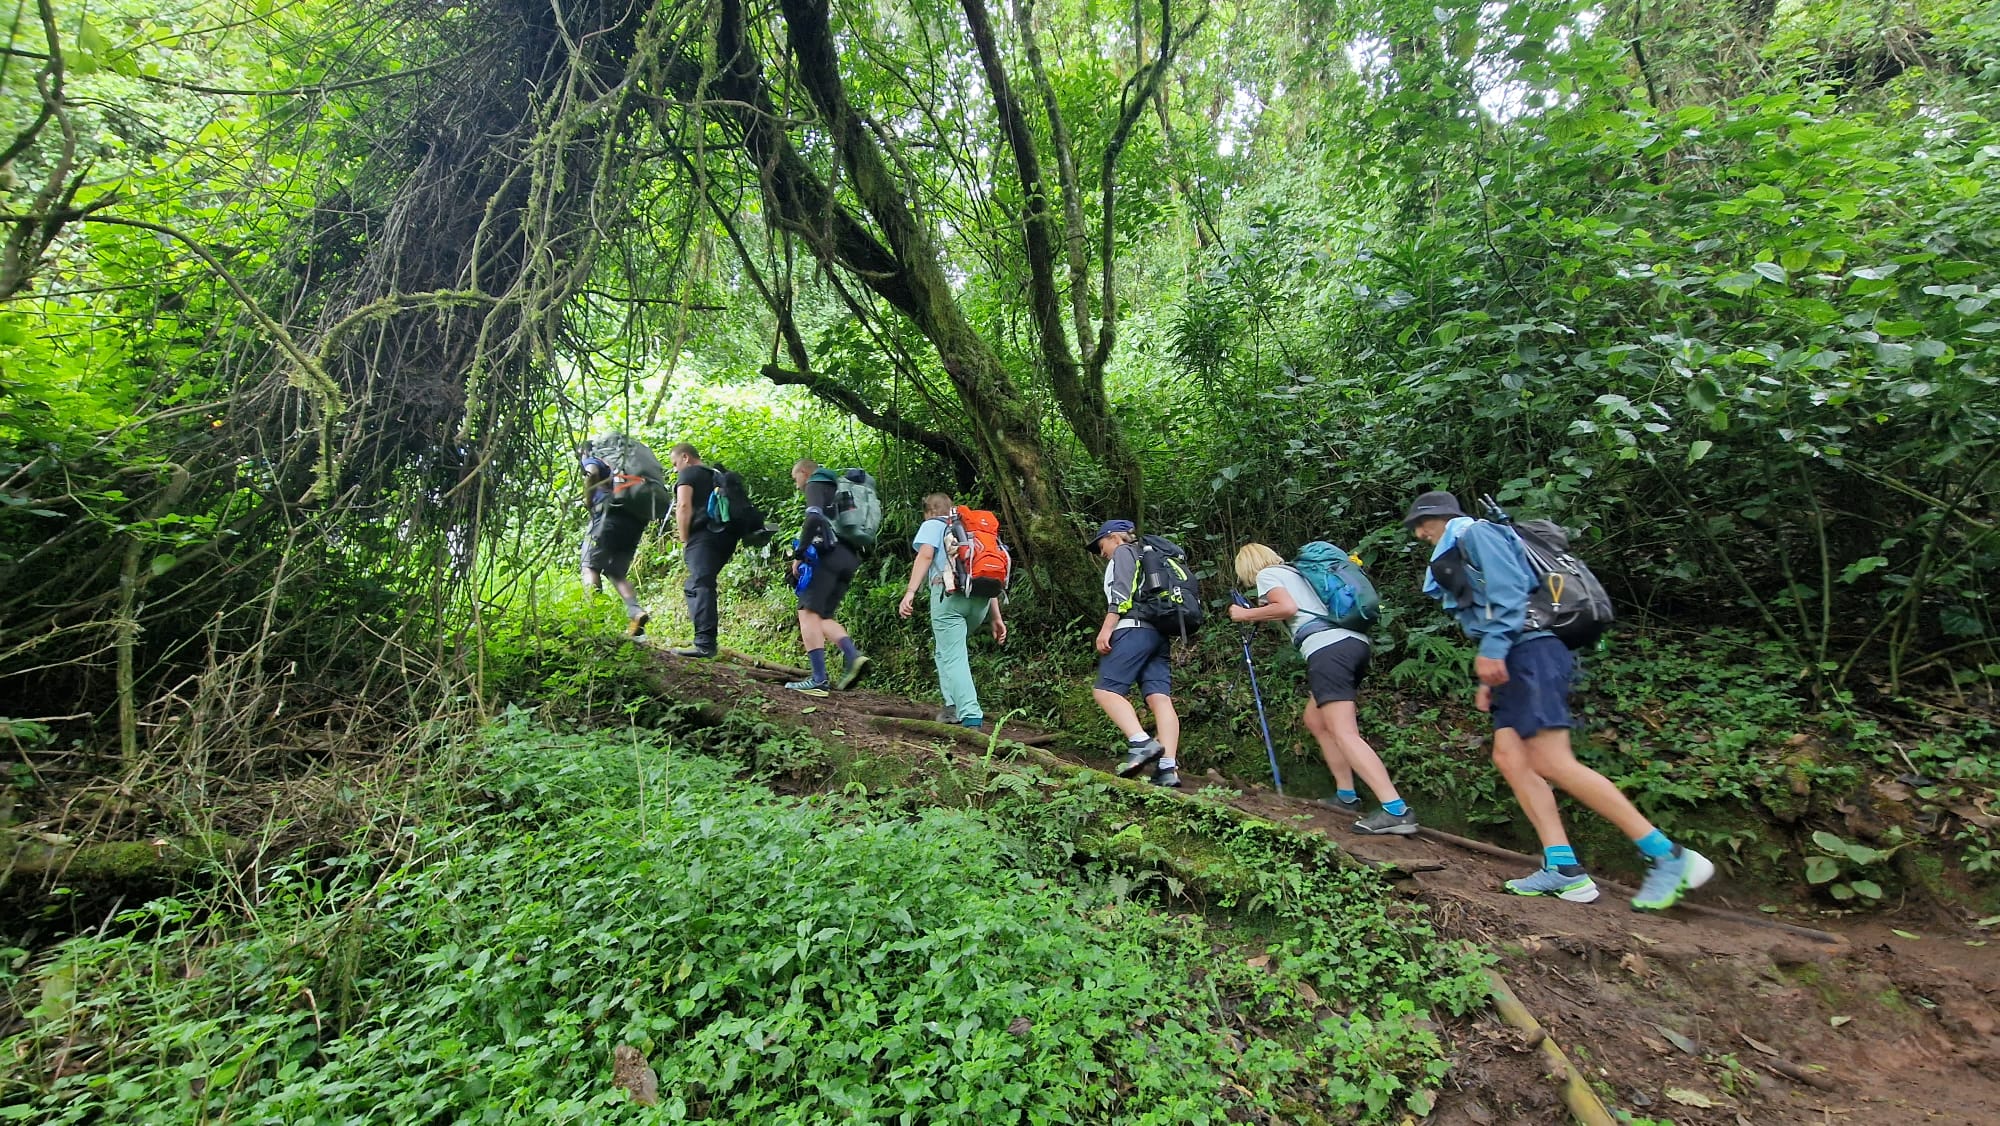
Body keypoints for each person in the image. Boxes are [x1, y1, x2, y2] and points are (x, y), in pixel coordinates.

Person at [1404, 490, 1713, 911]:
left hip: (1530, 651)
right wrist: (1490, 670)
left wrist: (1494, 649)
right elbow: (1487, 609)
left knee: (1551, 761)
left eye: (1423, 523)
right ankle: (1564, 868)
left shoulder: (1476, 534)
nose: (1420, 533)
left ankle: (1668, 855)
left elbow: (1511, 592)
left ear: (1443, 516)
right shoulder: (1457, 546)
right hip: (1516, 656)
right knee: (1510, 757)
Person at [1227, 542, 1417, 834]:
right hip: (1352, 645)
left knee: (1344, 732)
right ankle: (1345, 796)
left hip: (1329, 650)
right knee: (1315, 720)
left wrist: (1245, 615)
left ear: (1247, 567)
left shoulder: (1268, 576)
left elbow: (1286, 608)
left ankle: (1396, 810)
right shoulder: (1297, 573)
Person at [897, 493, 1005, 729]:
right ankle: (950, 707)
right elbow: (986, 575)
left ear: (928, 511)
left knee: (954, 655)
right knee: (945, 651)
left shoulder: (933, 525)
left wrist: (910, 592)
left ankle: (970, 715)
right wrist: (996, 617)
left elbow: (925, 555)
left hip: (949, 597)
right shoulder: (969, 530)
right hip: (981, 600)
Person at [1089, 520, 1182, 788]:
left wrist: (1106, 629)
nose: (1101, 552)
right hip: (1158, 633)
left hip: (1133, 629)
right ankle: (1167, 769)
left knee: (1106, 690)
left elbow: (1122, 592)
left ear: (1114, 538)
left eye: (1101, 545)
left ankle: (1141, 742)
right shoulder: (1153, 555)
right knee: (1159, 698)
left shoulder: (1124, 552)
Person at [784, 459, 870, 696]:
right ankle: (853, 656)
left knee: (807, 612)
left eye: (795, 479)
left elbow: (813, 518)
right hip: (849, 557)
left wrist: (800, 554)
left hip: (828, 555)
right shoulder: (842, 489)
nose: (797, 485)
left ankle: (818, 679)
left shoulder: (816, 482)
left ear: (804, 472)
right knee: (822, 616)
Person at [667, 442, 740, 658]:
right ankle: (705, 641)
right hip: (726, 537)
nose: (675, 469)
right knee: (696, 583)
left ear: (686, 457)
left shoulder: (688, 474)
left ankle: (705, 645)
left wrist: (684, 539)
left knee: (700, 584)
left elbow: (683, 506)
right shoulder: (716, 474)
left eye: (675, 463)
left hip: (704, 536)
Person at [577, 451, 652, 637]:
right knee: (616, 572)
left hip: (607, 517)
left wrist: (588, 500)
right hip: (634, 522)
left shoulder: (594, 459)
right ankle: (635, 611)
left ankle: (596, 620)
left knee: (590, 567)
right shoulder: (623, 464)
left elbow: (592, 473)